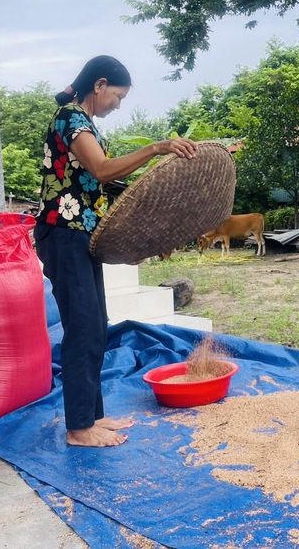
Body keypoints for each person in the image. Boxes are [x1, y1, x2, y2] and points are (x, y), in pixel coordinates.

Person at [34, 55, 198, 447]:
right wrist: (158, 148)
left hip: (82, 236)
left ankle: (92, 417)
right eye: (117, 97)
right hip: (62, 233)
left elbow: (102, 191)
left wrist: (139, 239)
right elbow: (105, 170)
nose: (117, 105)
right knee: (83, 330)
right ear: (100, 84)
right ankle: (78, 428)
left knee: (96, 325)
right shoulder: (70, 118)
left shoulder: (86, 124)